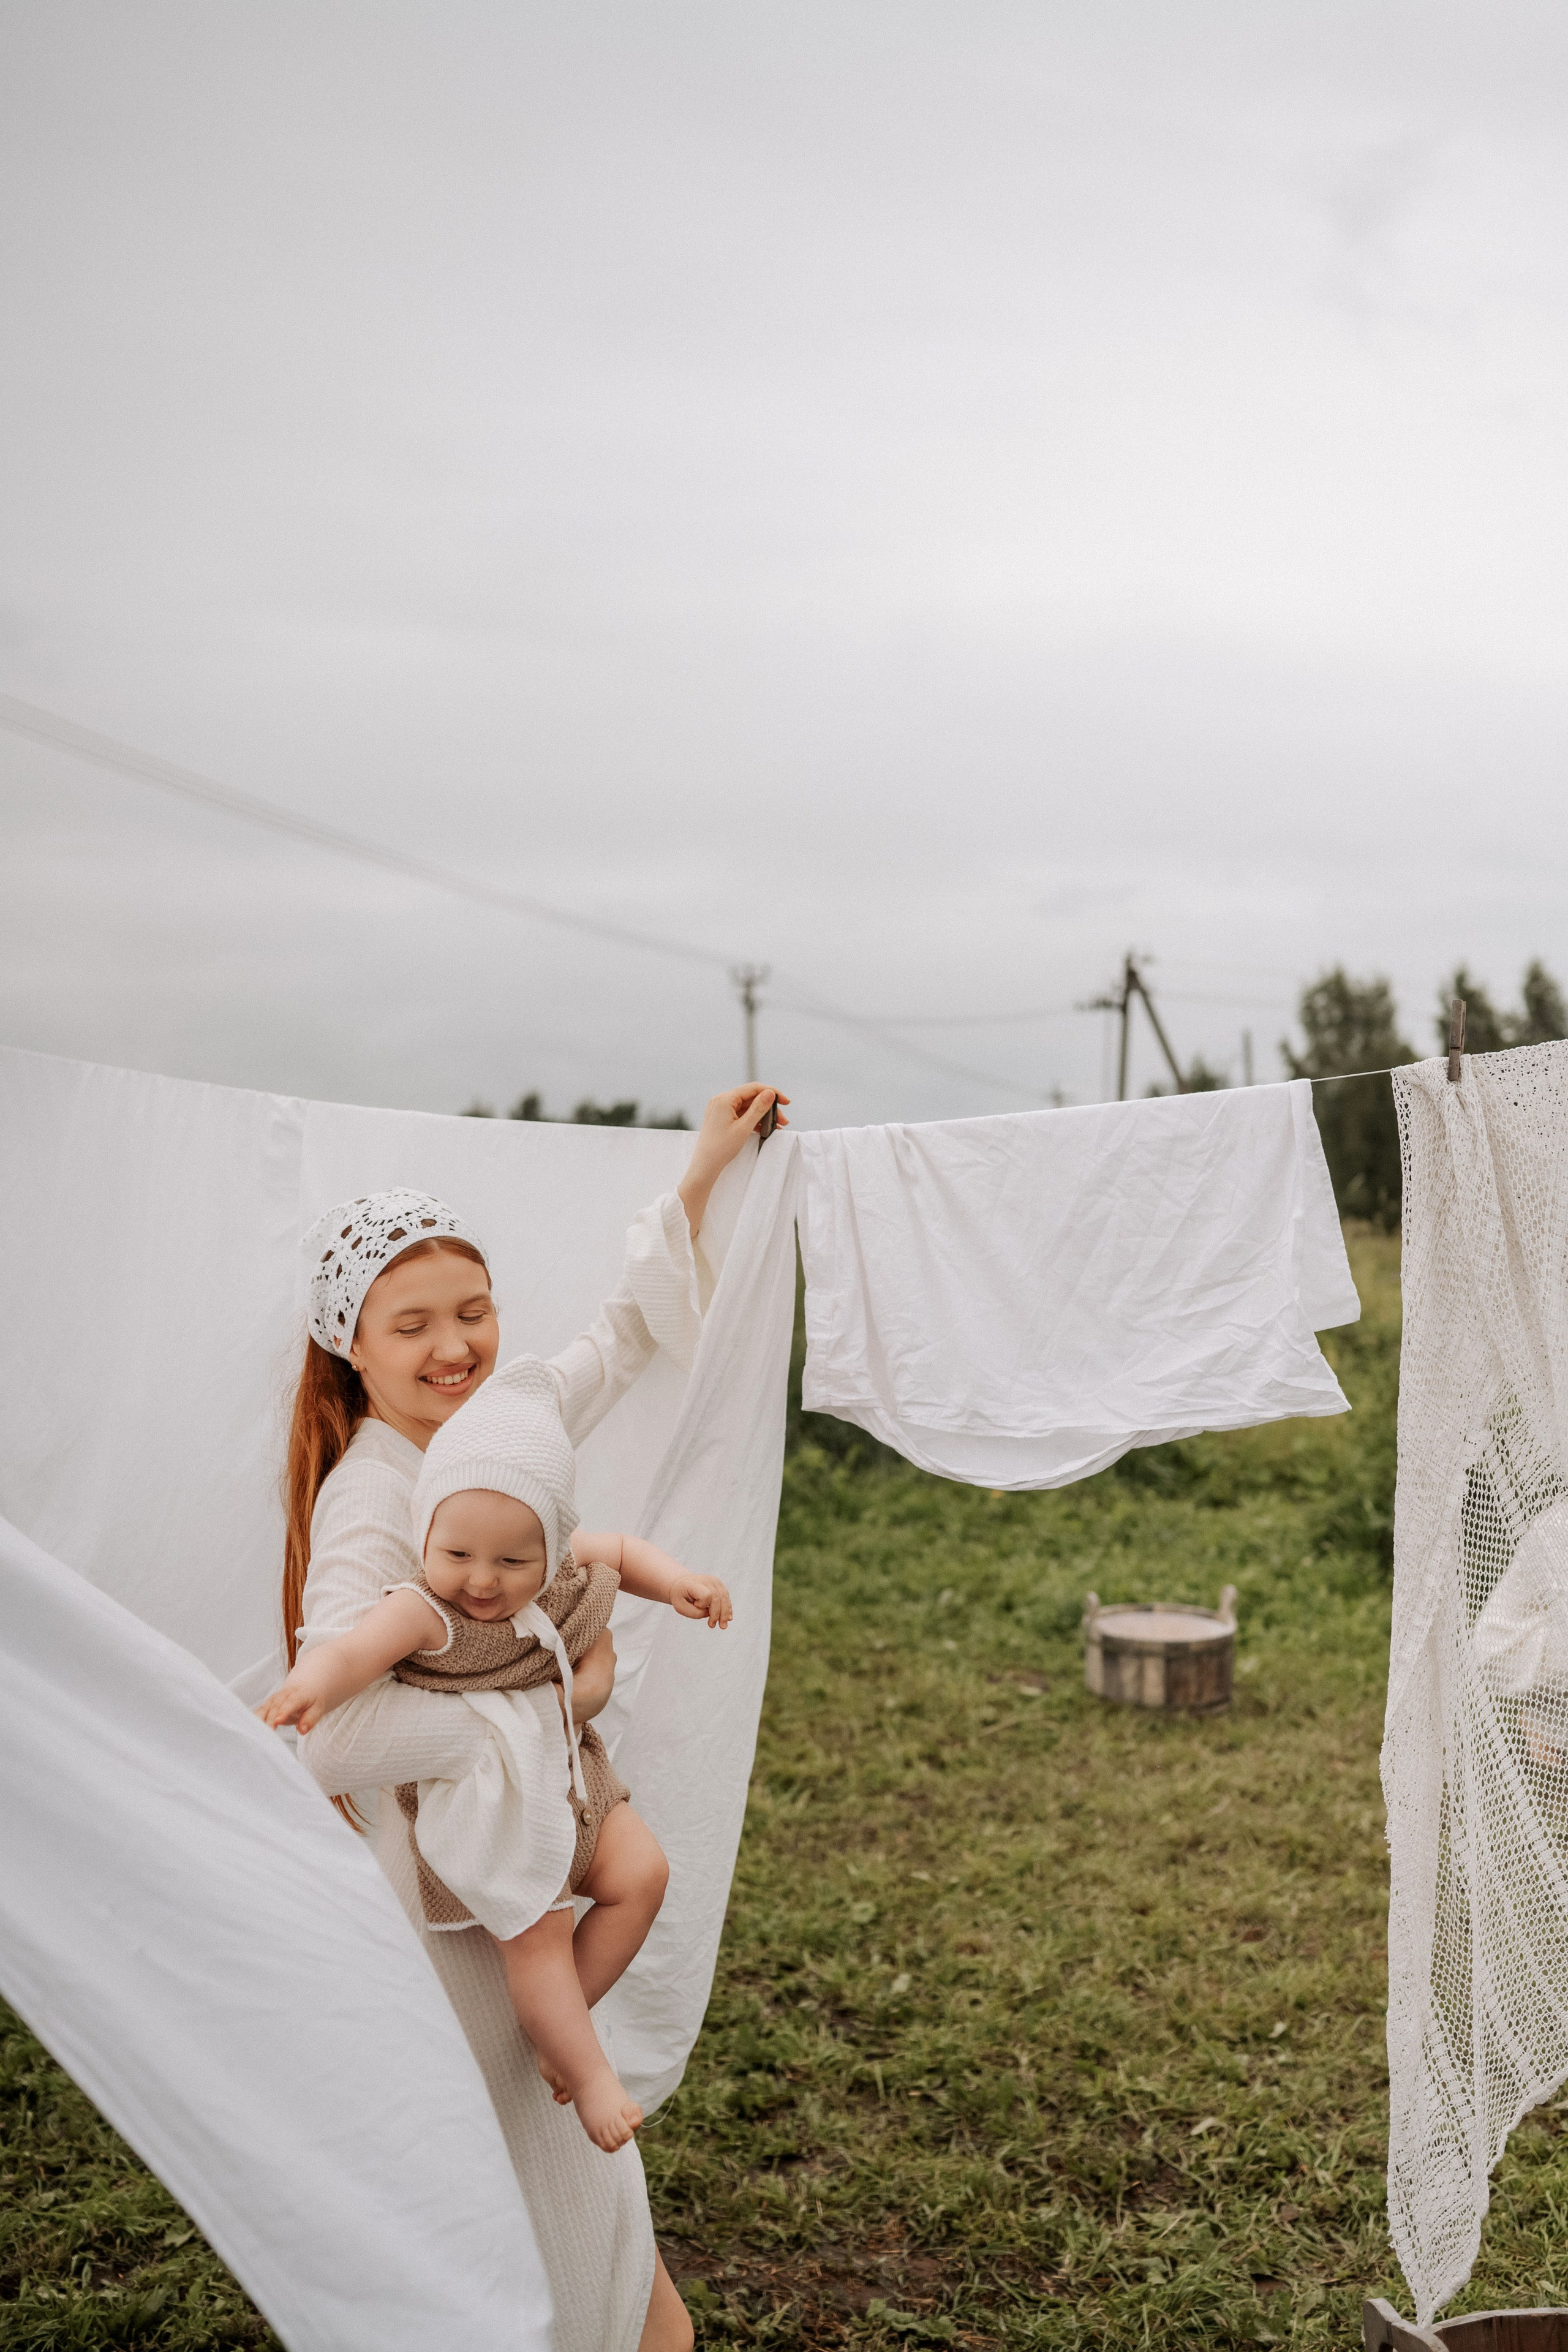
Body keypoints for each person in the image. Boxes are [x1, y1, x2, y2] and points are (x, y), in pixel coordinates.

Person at [282, 1082, 785, 2352]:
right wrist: (557, 1701)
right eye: (414, 1326)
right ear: (352, 1346)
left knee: (594, 2215)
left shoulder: (500, 1423)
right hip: (452, 1907)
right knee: (558, 2219)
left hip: (522, 1873)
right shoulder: (369, 1499)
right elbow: (335, 1735)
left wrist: (703, 1174)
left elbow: (615, 1340)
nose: (454, 1345)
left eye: (473, 1310)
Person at [260, 1353, 733, 2154]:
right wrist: (312, 1687)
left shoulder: (552, 1559)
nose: (482, 1580)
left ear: (548, 1547)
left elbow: (619, 1548)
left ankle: (562, 2030)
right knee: (538, 1935)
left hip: (572, 1779)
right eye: (459, 1555)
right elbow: (355, 1652)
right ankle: (588, 2079)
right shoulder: (424, 1607)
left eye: (513, 1562)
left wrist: (680, 1582)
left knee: (642, 1876)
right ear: (427, 1535)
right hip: (493, 1805)